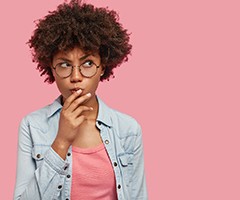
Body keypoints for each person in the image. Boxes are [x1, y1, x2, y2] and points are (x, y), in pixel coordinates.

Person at [14, 0, 147, 199]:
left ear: (103, 67)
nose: (76, 76)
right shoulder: (32, 126)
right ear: (52, 68)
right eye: (65, 64)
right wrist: (61, 142)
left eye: (87, 63)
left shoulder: (128, 130)